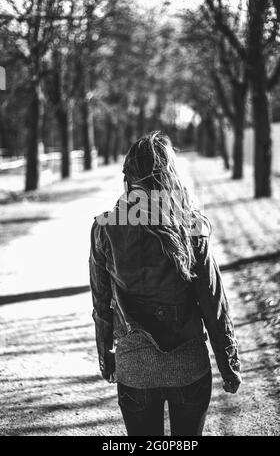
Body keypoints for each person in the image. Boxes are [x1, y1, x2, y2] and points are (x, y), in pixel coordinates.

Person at [89, 131, 241, 436]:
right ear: (171, 174)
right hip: (189, 365)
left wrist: (106, 356)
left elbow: (101, 303)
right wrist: (228, 363)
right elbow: (213, 302)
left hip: (134, 369)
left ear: (128, 177)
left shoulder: (105, 227)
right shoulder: (190, 226)